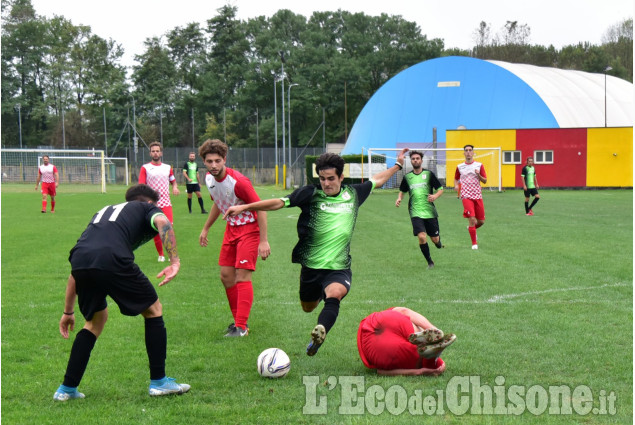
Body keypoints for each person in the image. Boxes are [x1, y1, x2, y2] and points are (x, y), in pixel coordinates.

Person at [223, 149, 409, 356]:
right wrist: (246, 207)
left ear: (341, 177)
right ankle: (319, 304)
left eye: (331, 178)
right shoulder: (310, 194)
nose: (326, 183)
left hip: (339, 266)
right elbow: (279, 202)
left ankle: (320, 332)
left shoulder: (353, 194)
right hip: (311, 268)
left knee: (335, 294)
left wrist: (398, 166)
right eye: (322, 178)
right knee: (308, 307)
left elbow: (377, 180)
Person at [53, 184, 189, 401]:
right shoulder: (147, 208)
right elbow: (164, 222)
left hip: (80, 259)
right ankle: (160, 382)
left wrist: (68, 311)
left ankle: (66, 389)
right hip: (111, 258)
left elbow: (75, 274)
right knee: (153, 310)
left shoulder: (104, 212)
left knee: (95, 321)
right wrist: (175, 261)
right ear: (150, 203)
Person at [198, 139, 270, 337]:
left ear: (224, 160)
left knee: (242, 276)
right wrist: (206, 228)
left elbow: (261, 207)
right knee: (226, 276)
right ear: (204, 161)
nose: (214, 165)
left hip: (249, 229)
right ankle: (238, 323)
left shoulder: (238, 182)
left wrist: (263, 241)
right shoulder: (209, 179)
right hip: (231, 230)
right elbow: (217, 202)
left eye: (218, 161)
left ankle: (241, 327)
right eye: (210, 161)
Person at [357, 307, 456, 376]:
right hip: (391, 324)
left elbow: (380, 371)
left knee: (437, 367)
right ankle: (425, 341)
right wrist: (433, 328)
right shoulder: (392, 312)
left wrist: (419, 372)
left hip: (378, 347)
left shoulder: (388, 313)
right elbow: (404, 311)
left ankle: (424, 341)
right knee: (439, 366)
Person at [395, 151, 444, 269]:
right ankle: (430, 262)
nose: (415, 160)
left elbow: (440, 188)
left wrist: (435, 196)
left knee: (434, 239)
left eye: (417, 158)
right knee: (422, 236)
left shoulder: (428, 174)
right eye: (413, 159)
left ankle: (438, 242)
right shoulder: (407, 177)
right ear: (411, 161)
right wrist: (399, 198)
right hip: (415, 211)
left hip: (429, 211)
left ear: (421, 160)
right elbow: (402, 190)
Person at [139, 142, 180, 262]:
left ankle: (171, 255)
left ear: (161, 153)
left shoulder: (167, 167)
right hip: (152, 204)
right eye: (153, 151)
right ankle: (161, 254)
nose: (155, 153)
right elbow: (141, 185)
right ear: (150, 153)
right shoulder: (145, 168)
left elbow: (173, 180)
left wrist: (175, 187)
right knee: (156, 229)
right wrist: (147, 198)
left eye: (157, 151)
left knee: (169, 228)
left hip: (166, 203)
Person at [455, 145, 487, 249]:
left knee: (481, 221)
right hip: (466, 196)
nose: (468, 152)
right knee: (472, 219)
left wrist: (478, 175)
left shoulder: (479, 165)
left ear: (473, 153)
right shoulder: (459, 167)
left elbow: (485, 181)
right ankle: (474, 244)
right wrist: (456, 186)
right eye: (466, 151)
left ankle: (471, 228)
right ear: (464, 153)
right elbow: (456, 178)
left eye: (470, 150)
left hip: (477, 195)